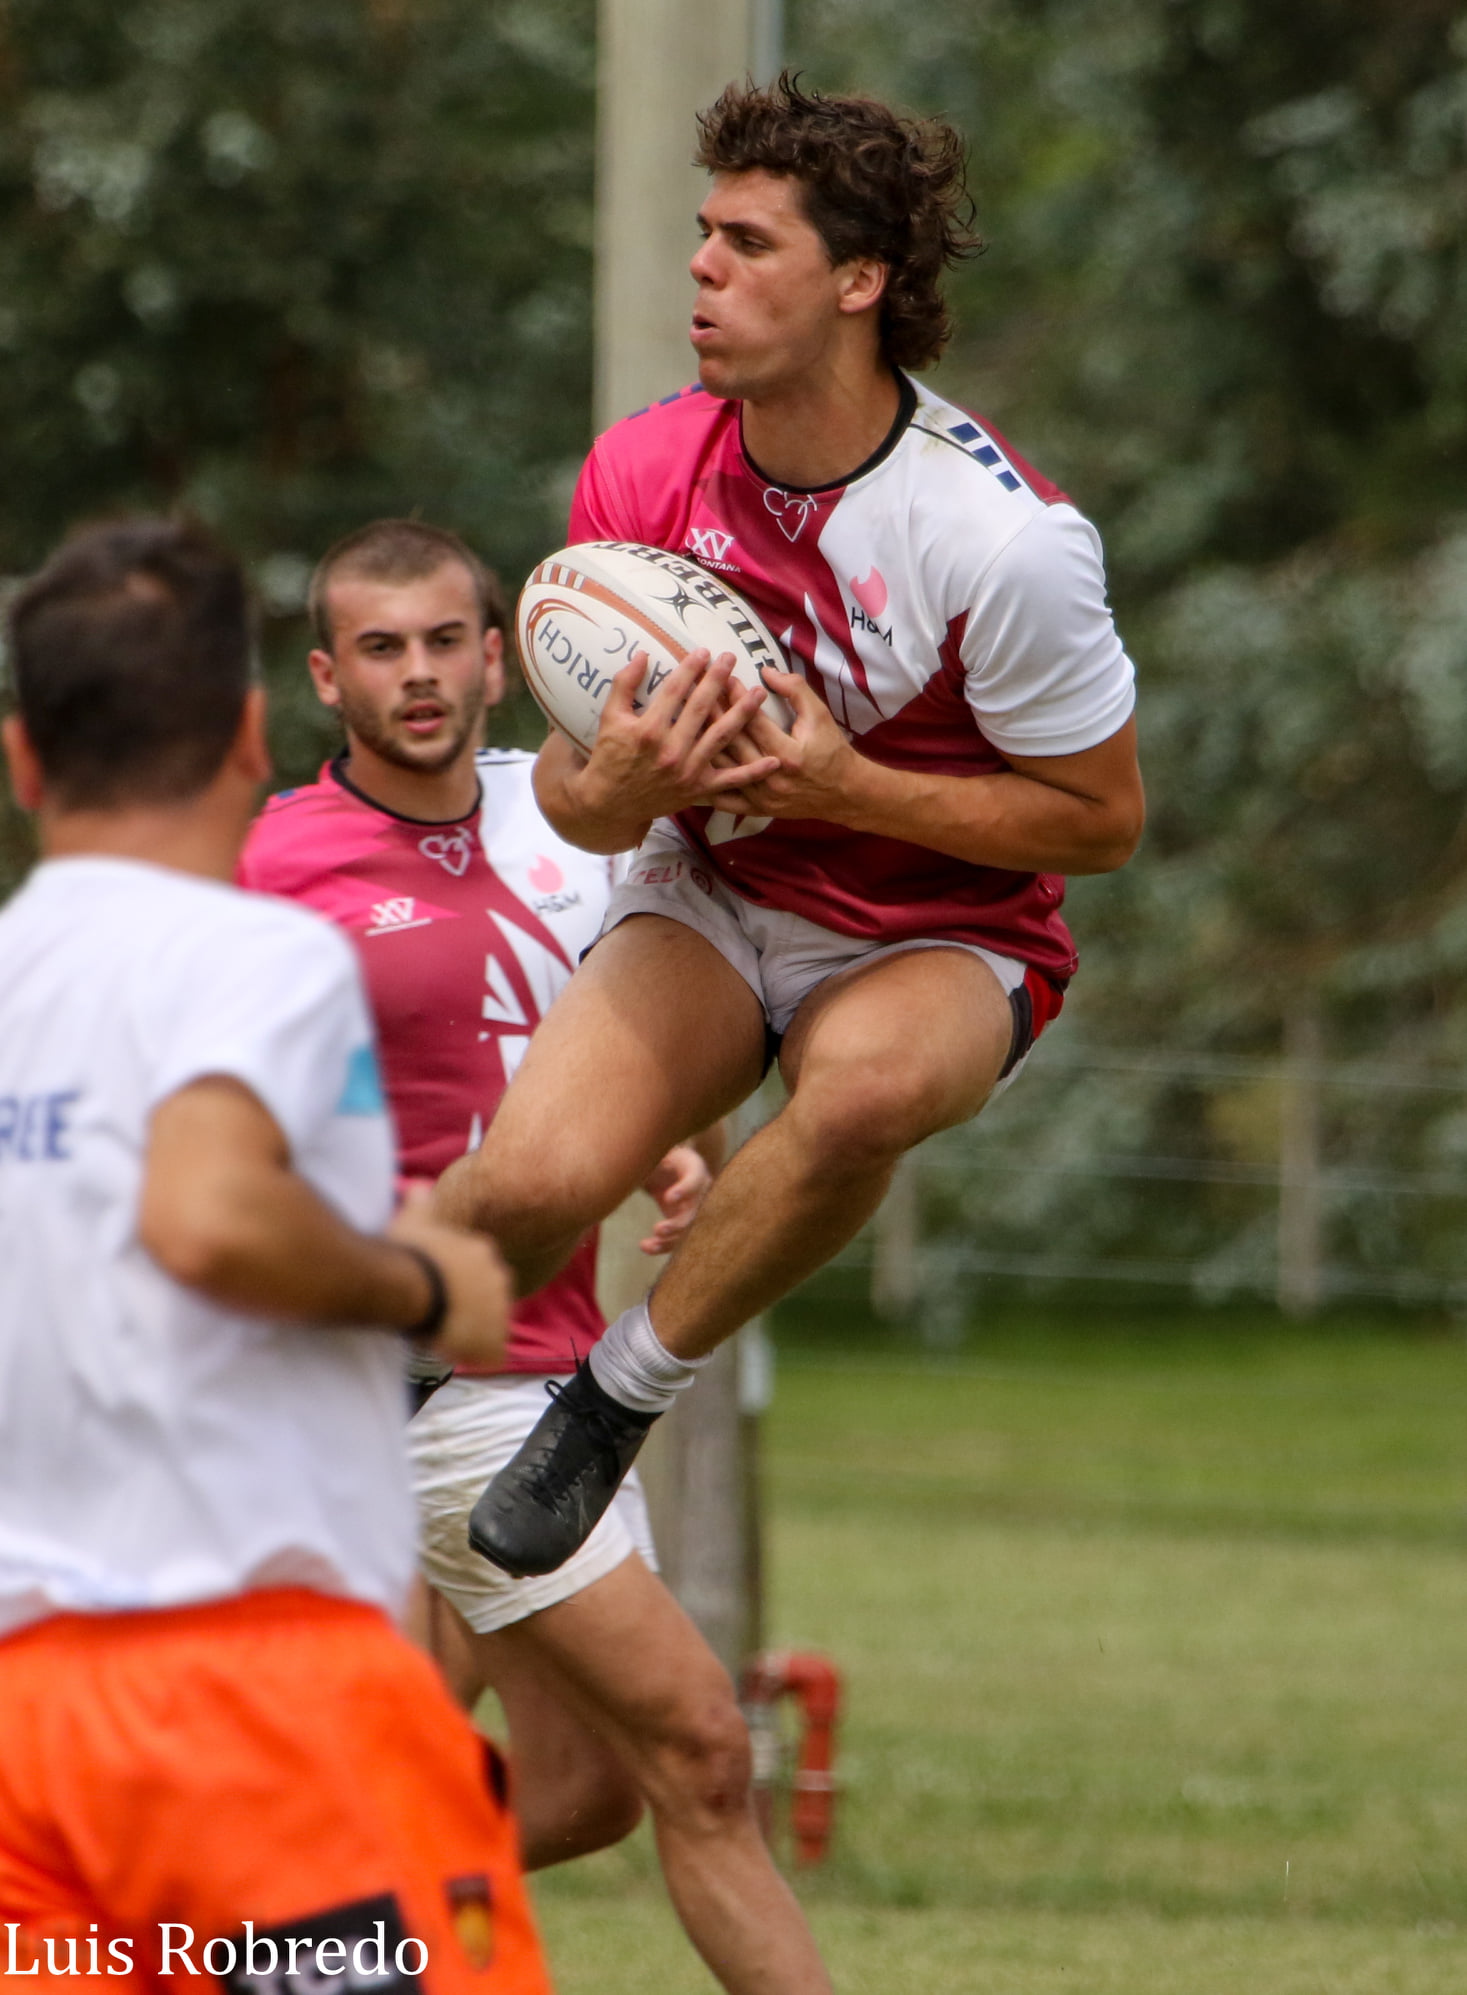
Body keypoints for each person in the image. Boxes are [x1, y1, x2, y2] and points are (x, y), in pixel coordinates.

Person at [445, 74, 1146, 1574]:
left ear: (859, 280)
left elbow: (1101, 823)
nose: (701, 266)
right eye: (702, 233)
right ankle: (335, 1357)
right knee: (526, 1187)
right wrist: (612, 788)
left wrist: (846, 788)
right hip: (711, 889)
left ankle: (613, 1399)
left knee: (865, 1095)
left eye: (748, 243)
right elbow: (574, 802)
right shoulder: (641, 471)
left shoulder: (1003, 543)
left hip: (945, 927)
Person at [238, 518, 833, 1995]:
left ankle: (267, 1931)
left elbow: (608, 1044)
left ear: (506, 656)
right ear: (330, 676)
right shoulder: (277, 864)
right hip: (435, 1372)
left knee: (586, 1793)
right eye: (381, 648)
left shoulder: (567, 821)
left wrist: (657, 1139)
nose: (420, 674)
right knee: (701, 1750)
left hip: (566, 1362)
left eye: (446, 639)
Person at [0, 519, 551, 1993]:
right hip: (257, 1702)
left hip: (24, 1722)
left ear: (24, 760)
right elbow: (209, 1217)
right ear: (254, 731)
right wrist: (425, 1285)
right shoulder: (262, 956)